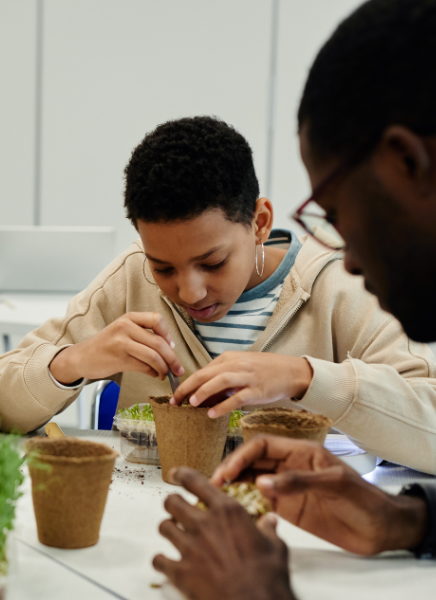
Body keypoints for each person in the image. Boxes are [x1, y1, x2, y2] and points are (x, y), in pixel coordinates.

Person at [154, 0, 436, 598]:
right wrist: (407, 520)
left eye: (336, 214)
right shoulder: (127, 281)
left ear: (409, 162)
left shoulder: (332, 285)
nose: (350, 258)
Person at [0, 115, 436, 474]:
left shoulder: (342, 284)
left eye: (213, 262)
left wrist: (304, 378)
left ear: (260, 223)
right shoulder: (130, 277)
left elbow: (428, 424)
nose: (190, 290)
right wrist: (74, 363)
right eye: (163, 267)